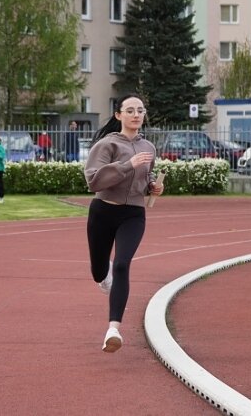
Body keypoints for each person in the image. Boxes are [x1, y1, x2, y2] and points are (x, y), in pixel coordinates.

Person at [83, 93, 164, 353]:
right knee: (99, 270)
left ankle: (113, 330)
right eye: (130, 110)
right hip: (103, 211)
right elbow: (93, 181)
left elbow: (147, 178)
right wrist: (127, 165)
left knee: (121, 265)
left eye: (140, 110)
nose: (136, 115)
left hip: (133, 214)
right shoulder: (106, 145)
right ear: (118, 115)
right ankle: (103, 276)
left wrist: (154, 186)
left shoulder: (148, 147)